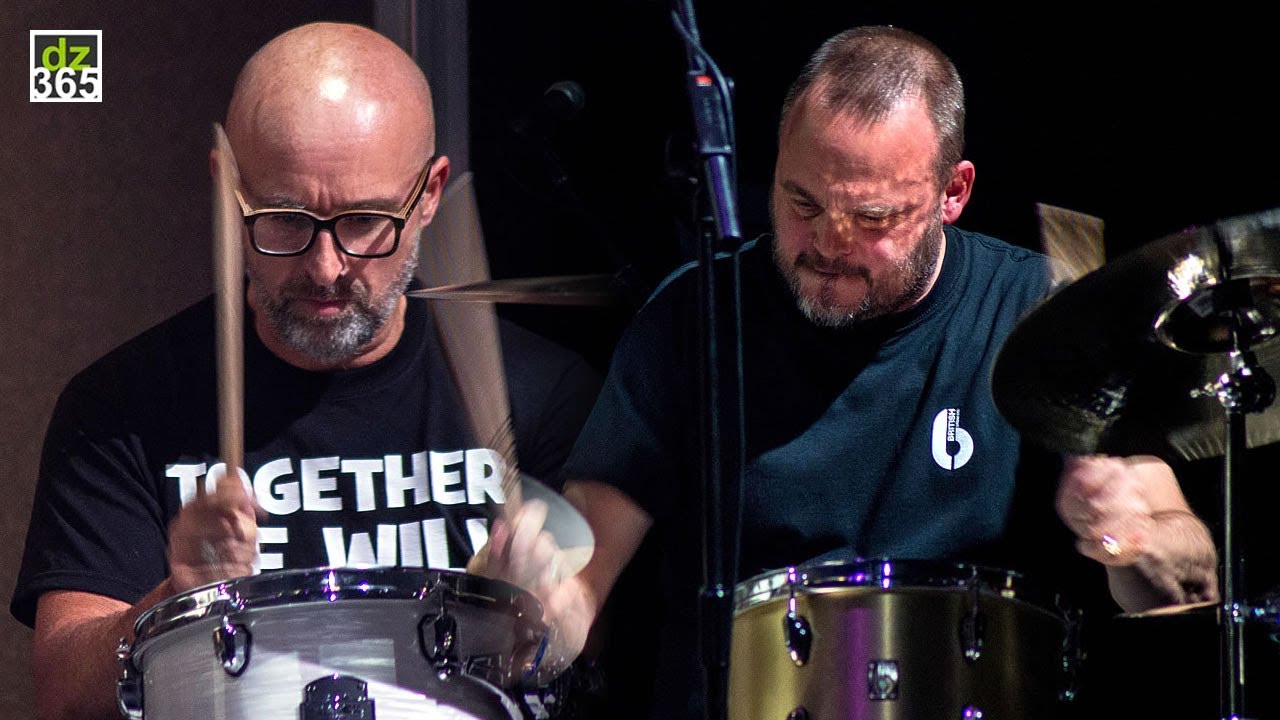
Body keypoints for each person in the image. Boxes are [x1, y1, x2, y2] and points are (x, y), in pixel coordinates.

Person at [476, 24, 1220, 719]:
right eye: (802, 201)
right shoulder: (692, 319)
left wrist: (1131, 538)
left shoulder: (1039, 312)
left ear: (953, 193)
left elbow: (1189, 574)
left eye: (872, 218)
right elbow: (578, 593)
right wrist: (533, 604)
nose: (828, 243)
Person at [10, 22, 601, 720]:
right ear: (227, 189)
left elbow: (590, 661)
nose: (325, 267)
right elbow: (64, 695)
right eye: (286, 220)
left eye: (365, 221)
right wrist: (171, 605)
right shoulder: (122, 411)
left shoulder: (544, 393)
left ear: (430, 194)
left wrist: (538, 622)